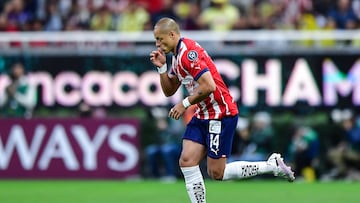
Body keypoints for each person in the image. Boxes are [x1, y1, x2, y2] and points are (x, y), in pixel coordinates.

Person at [149, 17, 295, 202]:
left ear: (172, 34)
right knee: (186, 161)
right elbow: (169, 90)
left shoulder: (188, 53)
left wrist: (184, 104)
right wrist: (162, 68)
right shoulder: (177, 58)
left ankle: (270, 165)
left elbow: (209, 86)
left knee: (217, 173)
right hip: (203, 113)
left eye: (160, 39)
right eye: (156, 40)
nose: (157, 44)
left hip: (220, 112)